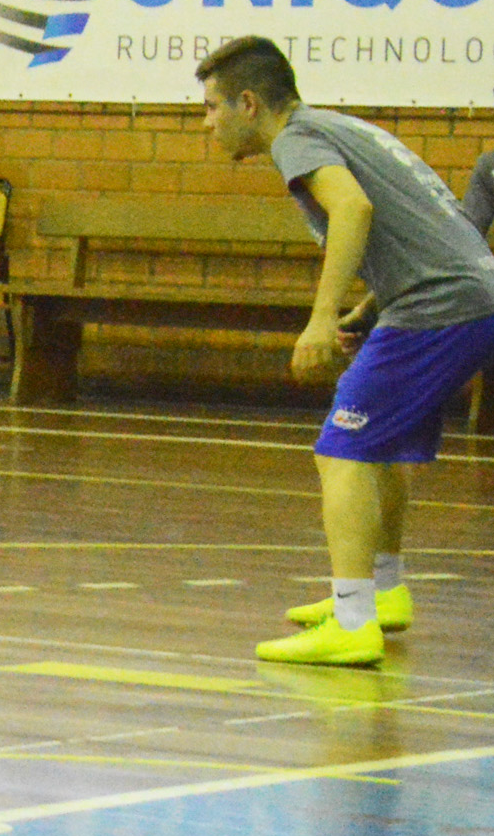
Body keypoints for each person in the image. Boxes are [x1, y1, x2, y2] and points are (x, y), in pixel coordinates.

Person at [196, 37, 494, 666]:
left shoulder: (296, 141)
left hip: (440, 305)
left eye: (211, 108)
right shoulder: (334, 127)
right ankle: (384, 595)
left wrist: (321, 317)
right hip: (458, 295)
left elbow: (354, 211)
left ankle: (353, 621)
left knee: (343, 450)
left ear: (248, 104)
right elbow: (421, 230)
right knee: (376, 445)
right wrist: (367, 311)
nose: (207, 124)